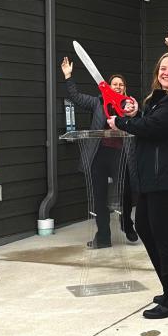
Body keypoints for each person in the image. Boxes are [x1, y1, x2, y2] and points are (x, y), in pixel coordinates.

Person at [108, 52, 168, 319]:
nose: (167, 72)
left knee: (164, 238)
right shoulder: (160, 101)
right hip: (155, 180)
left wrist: (123, 122)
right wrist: (137, 112)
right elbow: (150, 119)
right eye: (163, 68)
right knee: (145, 227)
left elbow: (153, 127)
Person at [61, 57, 137, 246]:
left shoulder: (130, 106)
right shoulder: (97, 102)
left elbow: (138, 124)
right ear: (108, 87)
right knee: (99, 197)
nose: (117, 87)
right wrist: (68, 76)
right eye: (114, 84)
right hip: (99, 155)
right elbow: (76, 97)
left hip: (121, 156)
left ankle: (127, 225)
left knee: (126, 193)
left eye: (121, 85)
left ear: (124, 88)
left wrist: (131, 113)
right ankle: (103, 237)